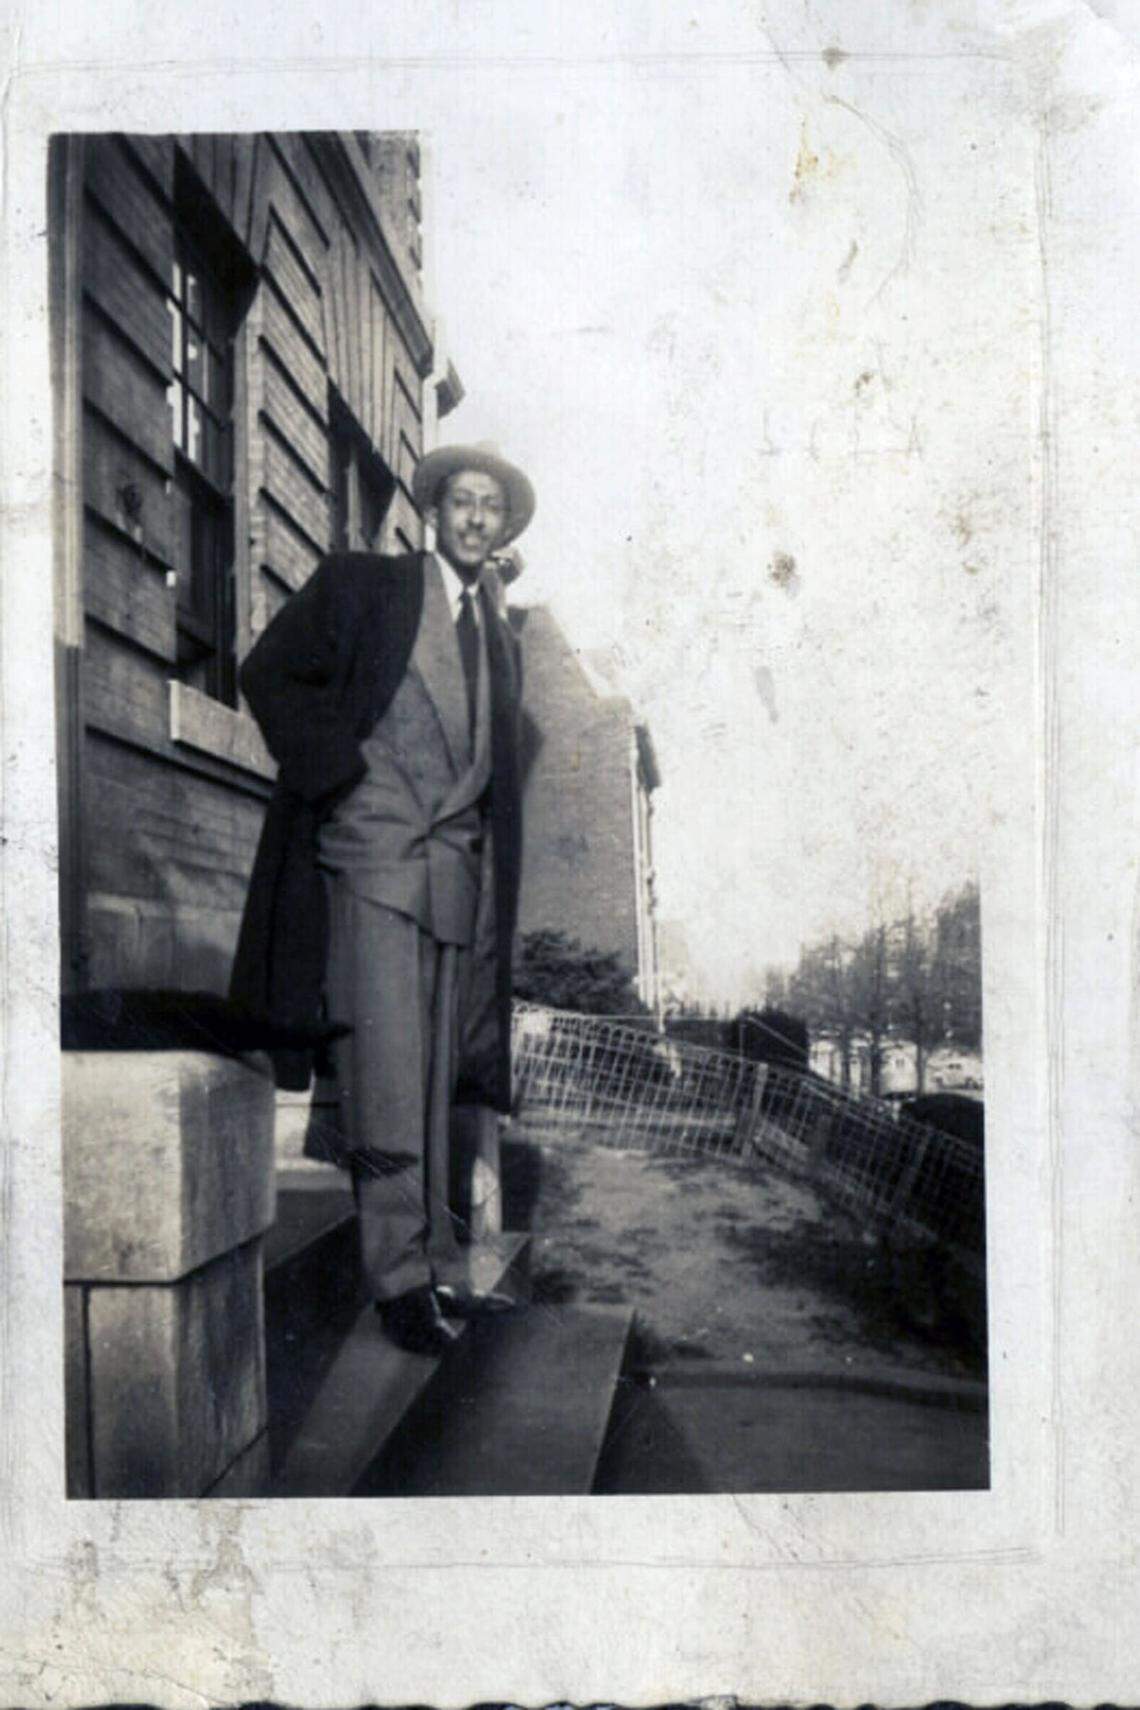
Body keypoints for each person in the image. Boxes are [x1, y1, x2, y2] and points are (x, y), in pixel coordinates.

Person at [230, 444, 534, 1354]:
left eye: (493, 509)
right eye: (463, 502)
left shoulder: (500, 633)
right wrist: (344, 776)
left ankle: (439, 1266)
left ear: (503, 530)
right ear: (432, 513)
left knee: (441, 1081)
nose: (477, 518)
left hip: (453, 881)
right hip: (372, 861)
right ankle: (397, 1281)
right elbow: (268, 672)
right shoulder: (368, 585)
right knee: (388, 1081)